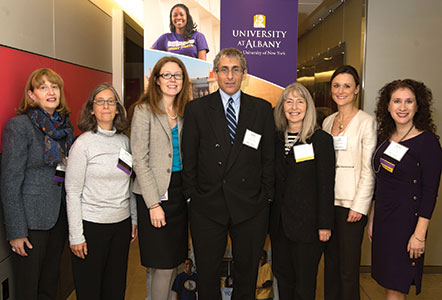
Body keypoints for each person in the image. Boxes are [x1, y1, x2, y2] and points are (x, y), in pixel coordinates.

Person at [182, 48, 275, 300]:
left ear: (244, 74)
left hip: (251, 206)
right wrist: (192, 196)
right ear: (215, 73)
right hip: (207, 205)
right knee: (207, 274)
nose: (230, 75)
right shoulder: (197, 110)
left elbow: (269, 158)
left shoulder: (262, 109)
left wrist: (266, 196)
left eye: (236, 69)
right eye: (224, 69)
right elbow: (188, 158)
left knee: (246, 274)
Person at [0, 68, 74, 299]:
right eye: (43, 87)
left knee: (50, 285)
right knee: (28, 289)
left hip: (58, 217)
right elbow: (10, 181)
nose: (51, 92)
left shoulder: (65, 128)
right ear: (32, 95)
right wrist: (16, 231)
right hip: (30, 222)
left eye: (54, 87)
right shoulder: (20, 126)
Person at [369, 79, 442, 299]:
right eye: (397, 101)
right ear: (388, 106)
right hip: (383, 221)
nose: (402, 107)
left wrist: (419, 235)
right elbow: (380, 181)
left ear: (418, 106)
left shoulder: (427, 143)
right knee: (387, 282)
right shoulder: (385, 138)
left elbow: (430, 192)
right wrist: (373, 217)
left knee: (397, 285)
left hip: (406, 225)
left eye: (409, 101)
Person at [65, 83, 137, 299]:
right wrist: (76, 236)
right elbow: (72, 192)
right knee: (90, 292)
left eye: (111, 101)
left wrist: (133, 218)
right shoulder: (82, 144)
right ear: (92, 109)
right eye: (100, 101)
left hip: (121, 227)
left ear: (117, 109)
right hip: (90, 229)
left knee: (115, 291)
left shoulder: (124, 142)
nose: (106, 106)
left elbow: (129, 184)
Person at [131, 56, 191, 300]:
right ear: (156, 80)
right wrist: (153, 203)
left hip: (179, 194)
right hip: (153, 194)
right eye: (166, 75)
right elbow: (139, 159)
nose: (172, 80)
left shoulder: (187, 111)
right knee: (163, 265)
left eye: (177, 75)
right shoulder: (144, 110)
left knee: (175, 262)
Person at [270, 82, 335, 299]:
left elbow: (326, 185)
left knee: (305, 285)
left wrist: (325, 224)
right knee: (283, 279)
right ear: (282, 107)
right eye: (289, 101)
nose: (294, 107)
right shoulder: (275, 139)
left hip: (308, 228)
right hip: (280, 227)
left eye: (300, 101)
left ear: (308, 107)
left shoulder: (321, 140)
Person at [322, 65, 377, 300]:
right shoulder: (327, 122)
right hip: (327, 205)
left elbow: (369, 169)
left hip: (351, 207)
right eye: (336, 85)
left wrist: (359, 206)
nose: (340, 91)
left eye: (346, 86)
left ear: (356, 90)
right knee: (331, 268)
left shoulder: (367, 122)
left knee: (348, 270)